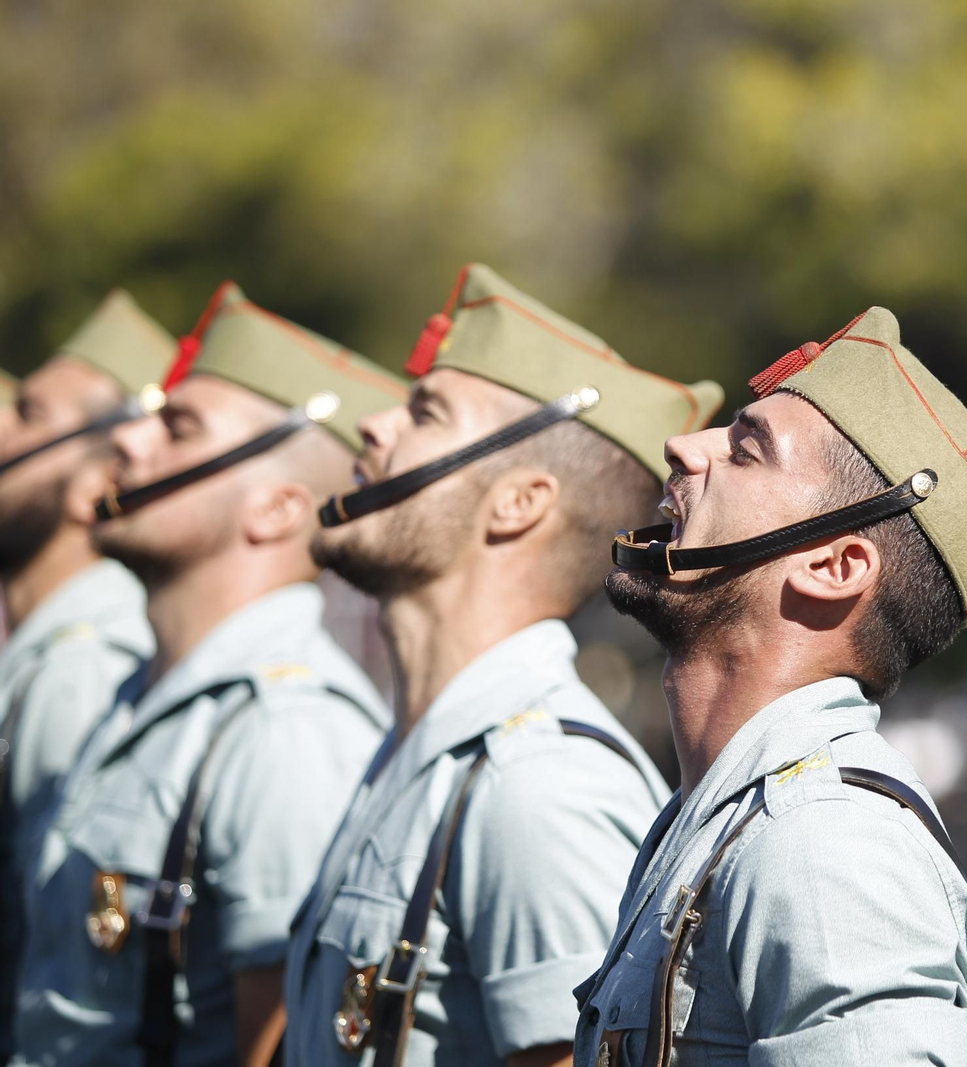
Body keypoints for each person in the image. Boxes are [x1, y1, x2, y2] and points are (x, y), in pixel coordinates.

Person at [580, 307, 967, 1066]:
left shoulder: (825, 845)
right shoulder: (732, 819)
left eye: (746, 451)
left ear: (834, 569)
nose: (684, 445)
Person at [281, 263, 723, 1067]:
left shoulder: (539, 786)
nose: (376, 427)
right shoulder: (420, 757)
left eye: (426, 412)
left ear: (519, 500)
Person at [12, 282, 404, 1067]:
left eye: (179, 428)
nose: (130, 441)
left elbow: (279, 1040)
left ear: (276, 509)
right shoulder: (142, 696)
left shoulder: (285, 728)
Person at [0, 291, 174, 1060]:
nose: (2, 423)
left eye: (29, 414)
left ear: (90, 482)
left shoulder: (83, 666)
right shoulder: (52, 648)